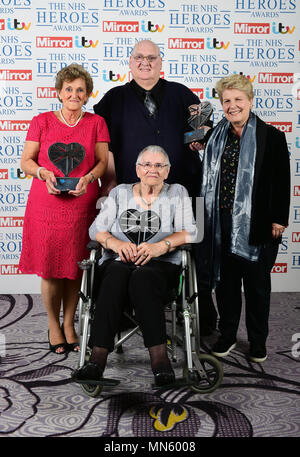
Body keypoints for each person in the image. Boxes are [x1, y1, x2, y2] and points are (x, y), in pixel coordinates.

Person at [94, 38, 218, 335]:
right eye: (139, 57)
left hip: (189, 188)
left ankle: (202, 316)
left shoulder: (182, 93)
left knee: (196, 248)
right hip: (133, 195)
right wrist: (109, 181)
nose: (145, 62)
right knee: (130, 251)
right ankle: (124, 314)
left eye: (152, 58)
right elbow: (104, 147)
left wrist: (203, 136)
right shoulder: (113, 99)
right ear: (130, 61)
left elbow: (203, 129)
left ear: (161, 62)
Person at [71, 145, 197, 386]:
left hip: (159, 265)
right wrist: (116, 244)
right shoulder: (120, 193)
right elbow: (96, 230)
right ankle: (96, 360)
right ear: (138, 169)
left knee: (143, 277)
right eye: (147, 165)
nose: (153, 170)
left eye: (159, 165)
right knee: (116, 273)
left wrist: (161, 246)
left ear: (167, 171)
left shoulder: (177, 192)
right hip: (119, 263)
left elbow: (190, 231)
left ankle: (160, 362)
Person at [197, 74, 290, 363]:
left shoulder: (271, 136)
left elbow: (281, 180)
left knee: (257, 286)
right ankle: (227, 335)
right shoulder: (213, 137)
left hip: (258, 225)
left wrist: (279, 219)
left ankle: (257, 341)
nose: (232, 105)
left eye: (238, 99)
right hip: (219, 224)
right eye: (227, 100)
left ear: (250, 100)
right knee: (225, 284)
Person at [19, 63, 110, 354]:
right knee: (49, 269)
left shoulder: (97, 123)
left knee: (75, 267)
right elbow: (26, 162)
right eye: (68, 88)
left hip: (81, 203)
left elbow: (101, 163)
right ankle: (53, 325)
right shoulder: (41, 121)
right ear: (59, 92)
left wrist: (88, 178)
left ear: (87, 95)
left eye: (80, 89)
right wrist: (43, 173)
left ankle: (69, 324)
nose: (74, 94)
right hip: (45, 204)